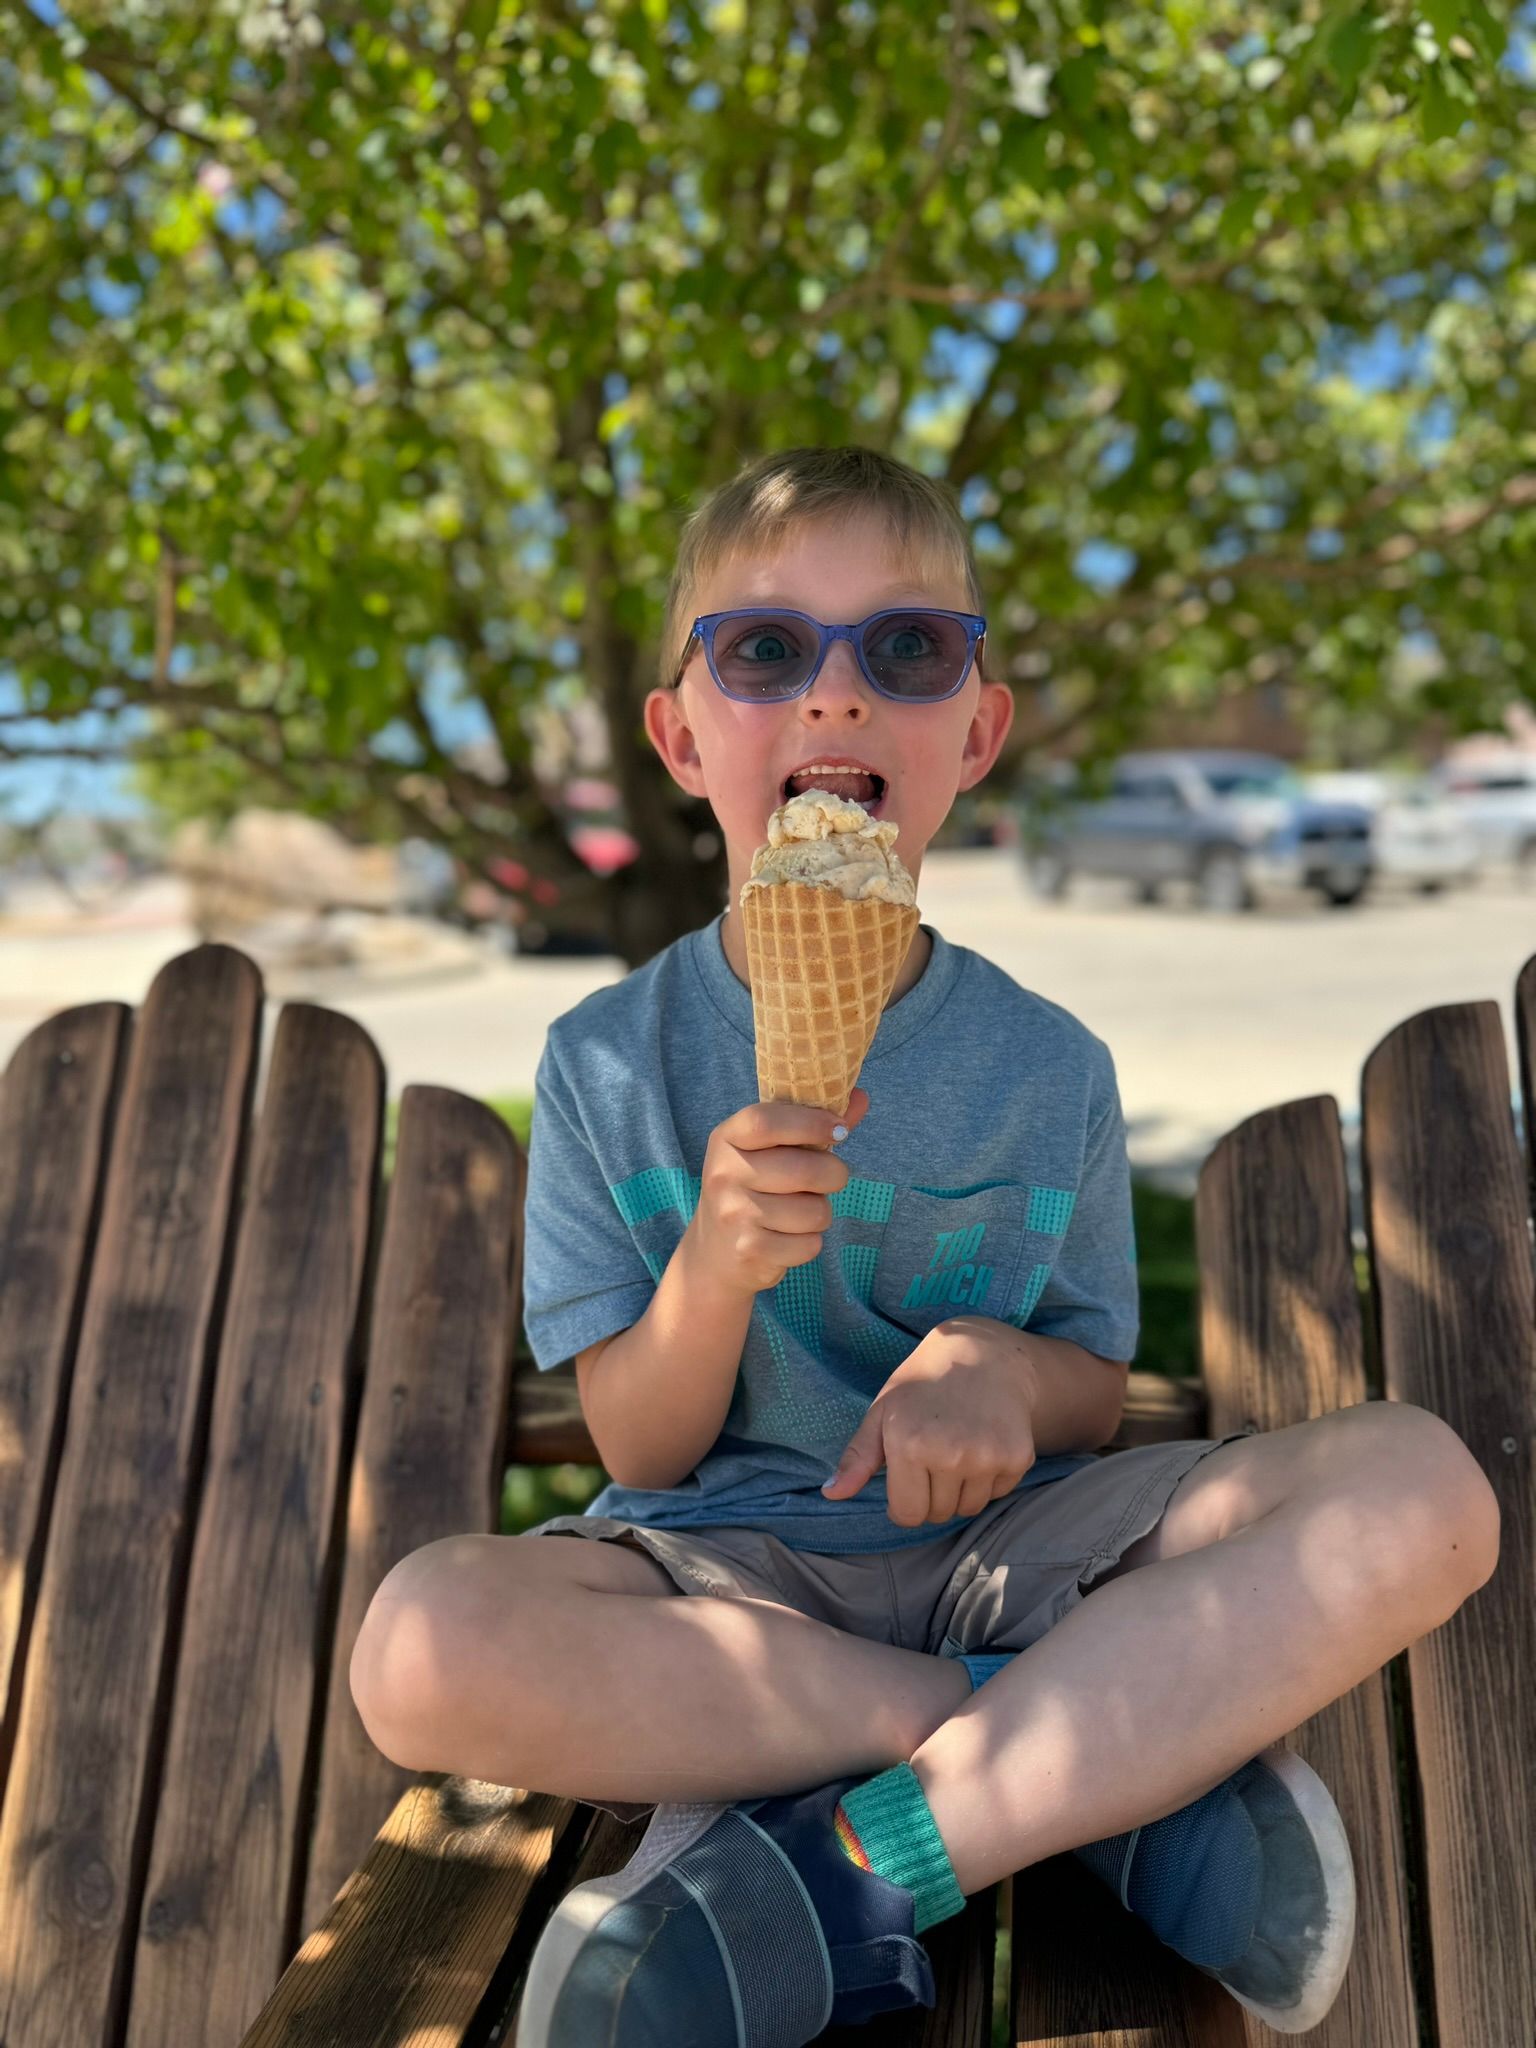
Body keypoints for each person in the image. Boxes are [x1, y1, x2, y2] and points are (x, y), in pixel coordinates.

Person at [348, 446, 1500, 2046]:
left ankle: (856, 1867)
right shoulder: (607, 1062)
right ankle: (1094, 1775)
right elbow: (638, 1440)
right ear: (682, 737)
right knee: (417, 1648)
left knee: (1426, 1493)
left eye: (905, 650)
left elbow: (1094, 1388)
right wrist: (711, 1278)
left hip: (1010, 1558)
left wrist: (997, 1372)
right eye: (762, 650)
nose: (833, 699)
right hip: (724, 1586)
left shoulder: (1049, 1069)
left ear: (976, 728)